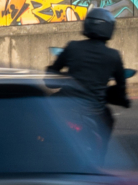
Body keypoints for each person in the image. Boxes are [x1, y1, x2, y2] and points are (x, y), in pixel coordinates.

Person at [46, 7, 131, 144]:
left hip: (64, 106)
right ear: (108, 28)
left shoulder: (72, 47)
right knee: (108, 122)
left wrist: (59, 76)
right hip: (94, 111)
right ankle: (100, 155)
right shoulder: (113, 56)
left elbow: (50, 78)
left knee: (43, 117)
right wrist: (124, 100)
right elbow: (121, 89)